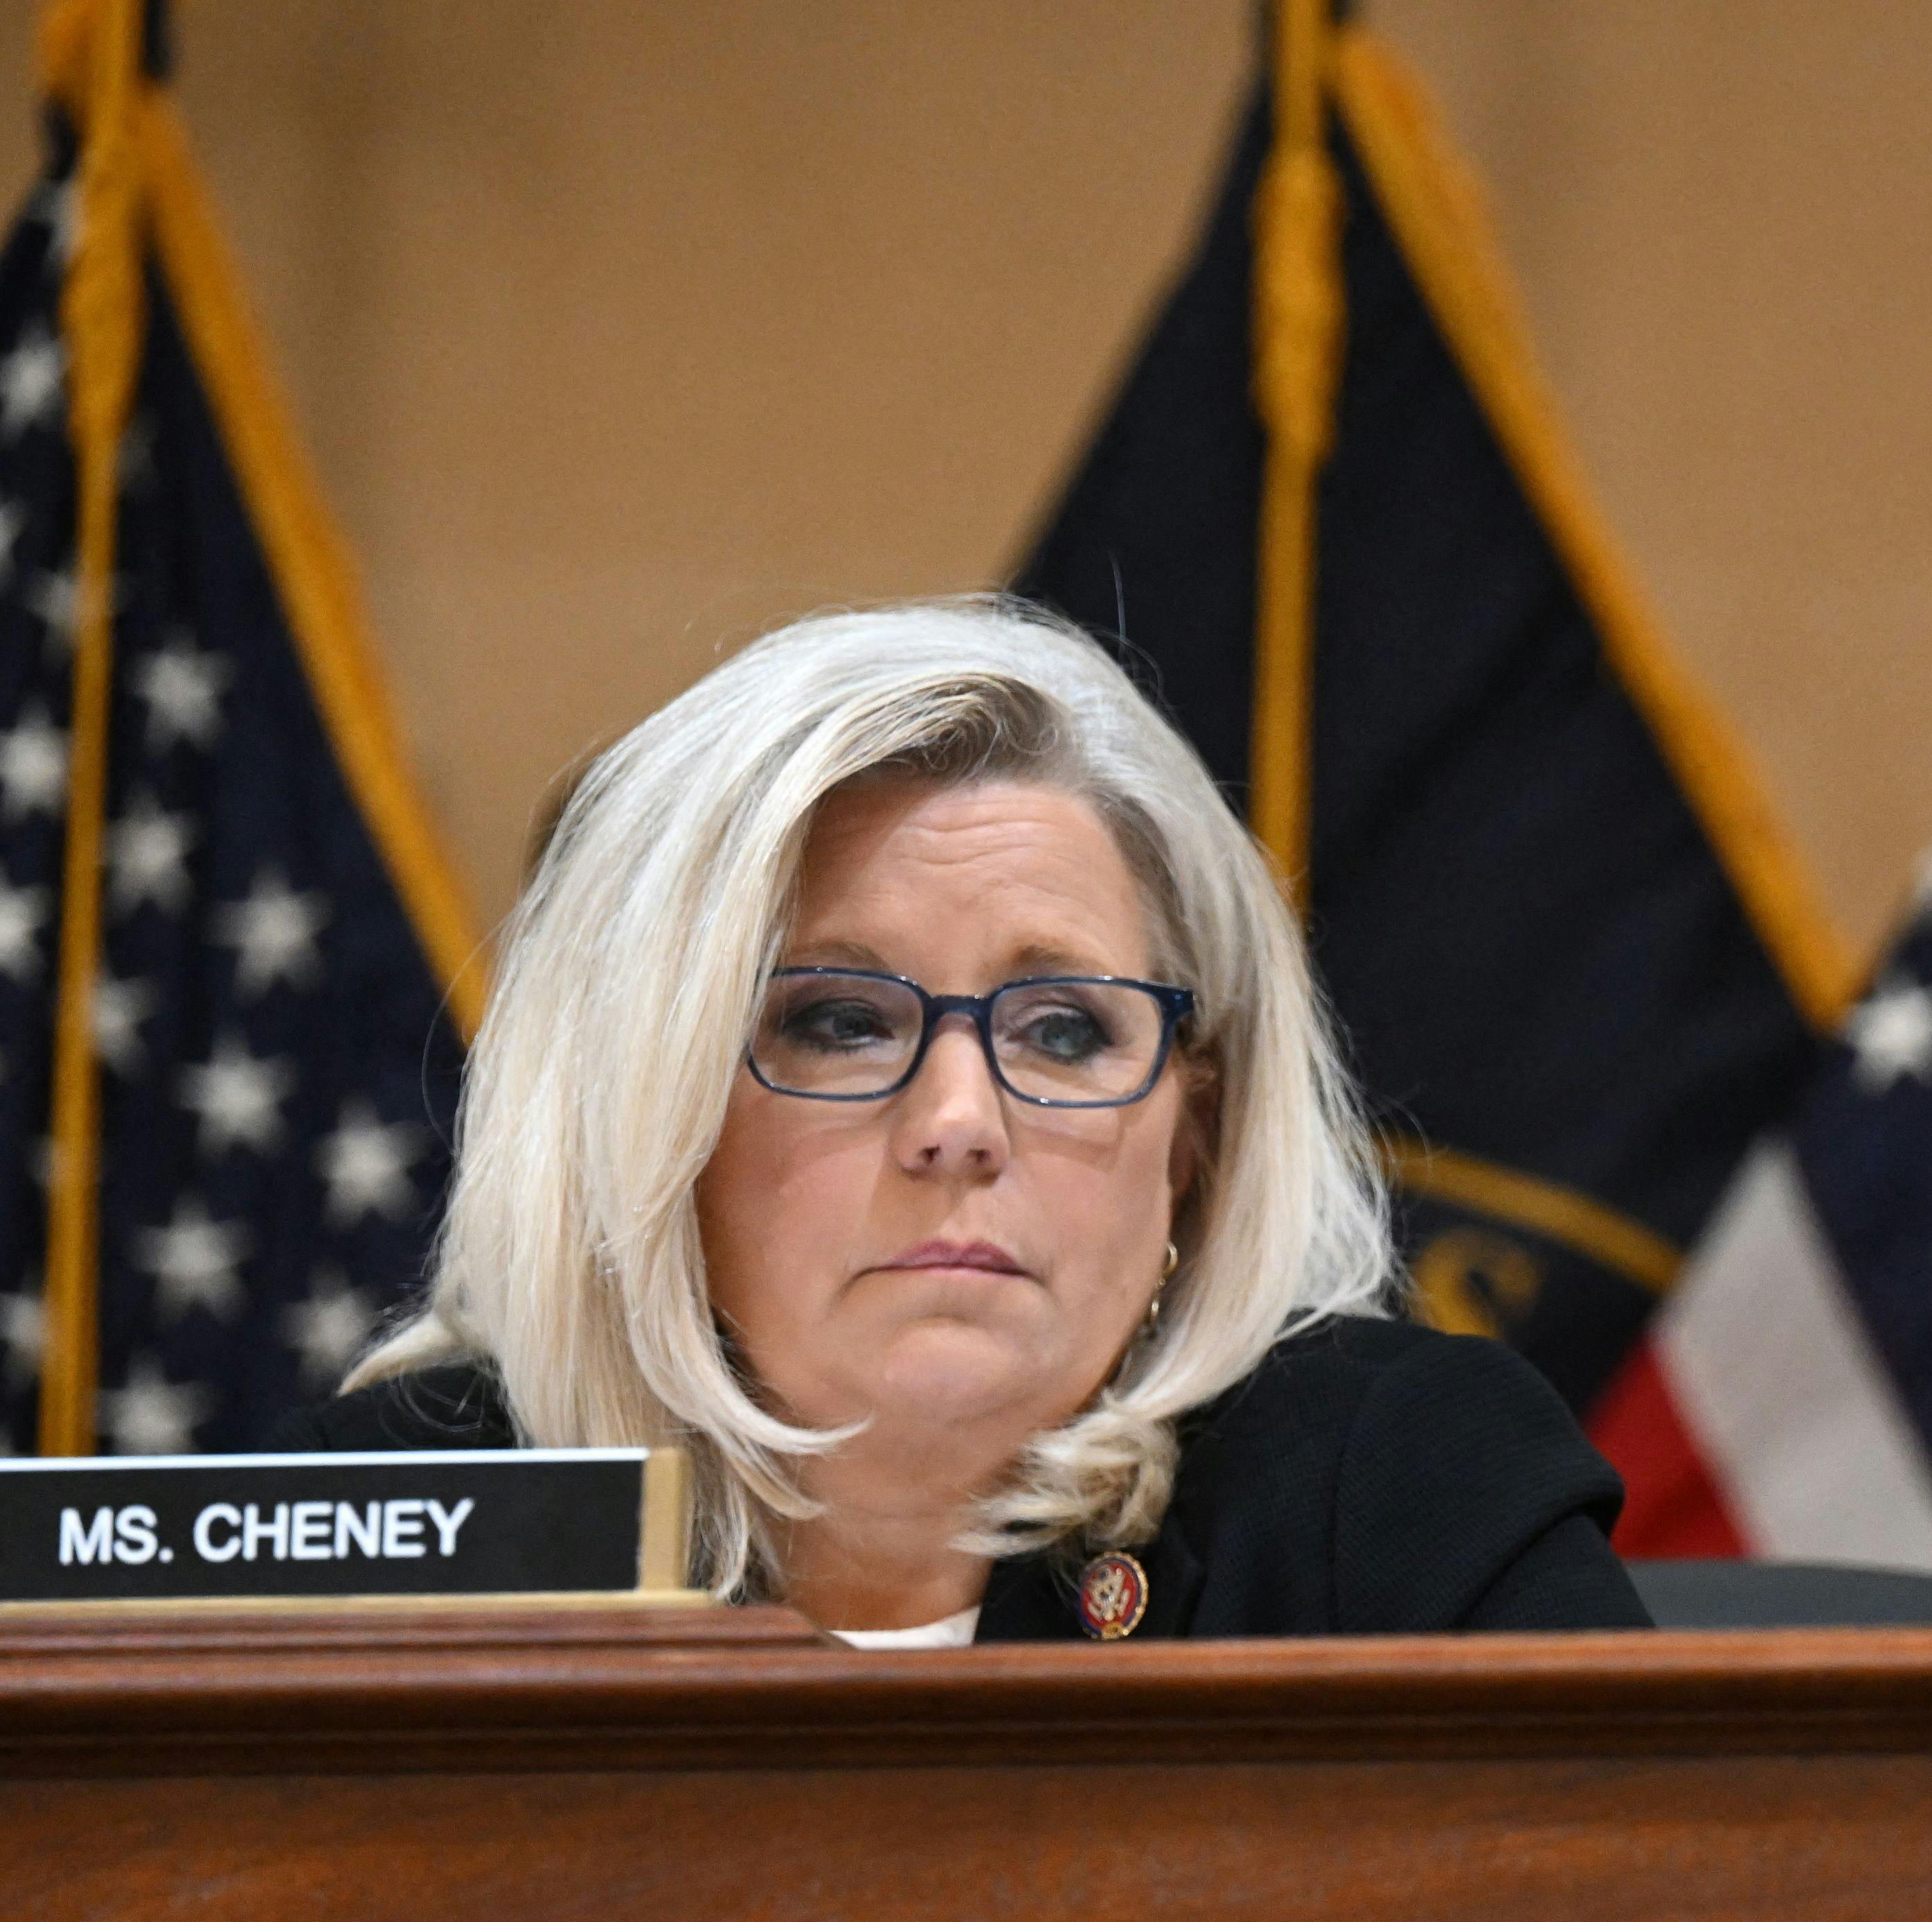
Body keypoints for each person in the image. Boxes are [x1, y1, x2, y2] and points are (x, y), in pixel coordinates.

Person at [298, 598, 1646, 1642]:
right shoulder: (385, 1522)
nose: (960, 1122)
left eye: (1064, 1031)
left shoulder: (1403, 1501)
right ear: (646, 1113)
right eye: (837, 1021)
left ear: (1193, 1138)